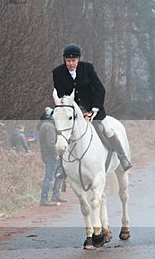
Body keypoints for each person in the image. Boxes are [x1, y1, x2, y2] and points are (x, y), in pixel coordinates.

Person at [52, 43, 132, 176]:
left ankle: (122, 158)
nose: (71, 63)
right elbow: (61, 95)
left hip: (93, 108)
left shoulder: (87, 68)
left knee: (107, 129)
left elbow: (100, 89)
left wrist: (94, 110)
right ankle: (61, 167)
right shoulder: (58, 73)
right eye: (68, 61)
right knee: (61, 134)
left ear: (78, 59)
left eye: (73, 60)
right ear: (64, 60)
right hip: (71, 111)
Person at [38, 107, 66, 206]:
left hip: (47, 155)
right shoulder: (49, 127)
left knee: (59, 174)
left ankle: (55, 195)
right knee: (49, 177)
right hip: (50, 155)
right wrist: (56, 155)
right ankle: (44, 199)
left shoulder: (46, 125)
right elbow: (50, 143)